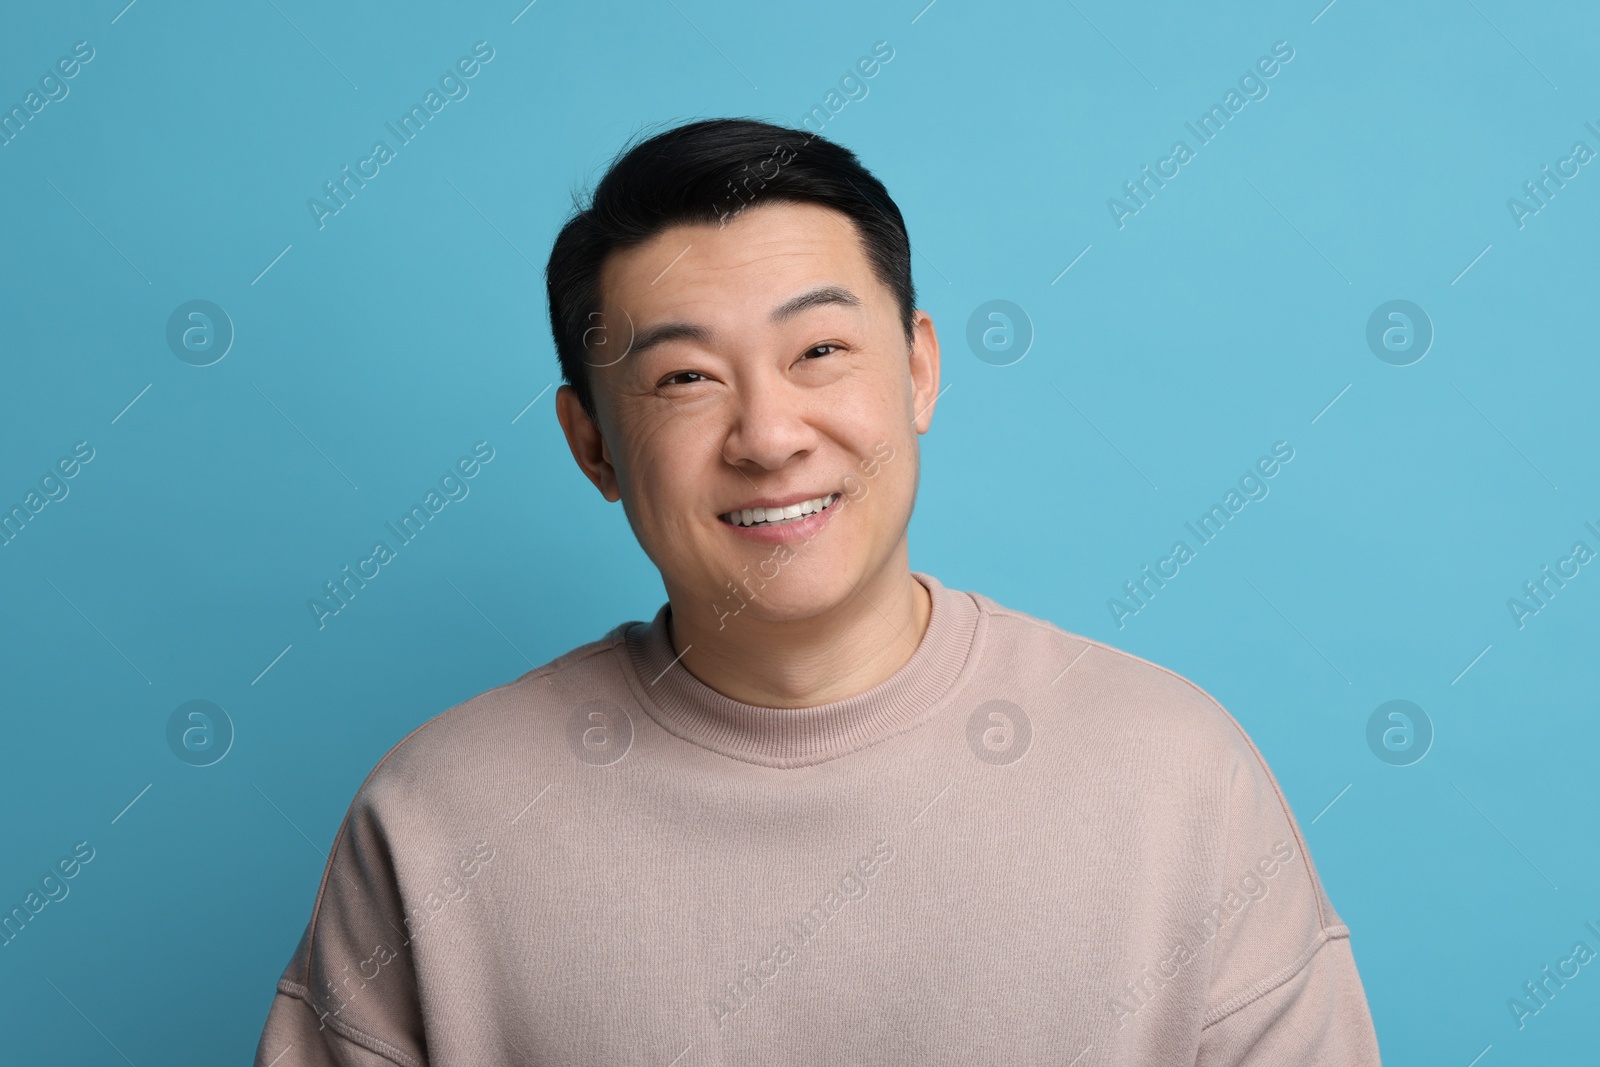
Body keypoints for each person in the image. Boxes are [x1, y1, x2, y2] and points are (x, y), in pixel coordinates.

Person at [252, 117, 1382, 1065]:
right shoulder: (437, 818)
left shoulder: (1174, 771)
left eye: (820, 352)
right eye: (685, 377)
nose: (769, 435)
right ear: (591, 443)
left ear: (919, 367)